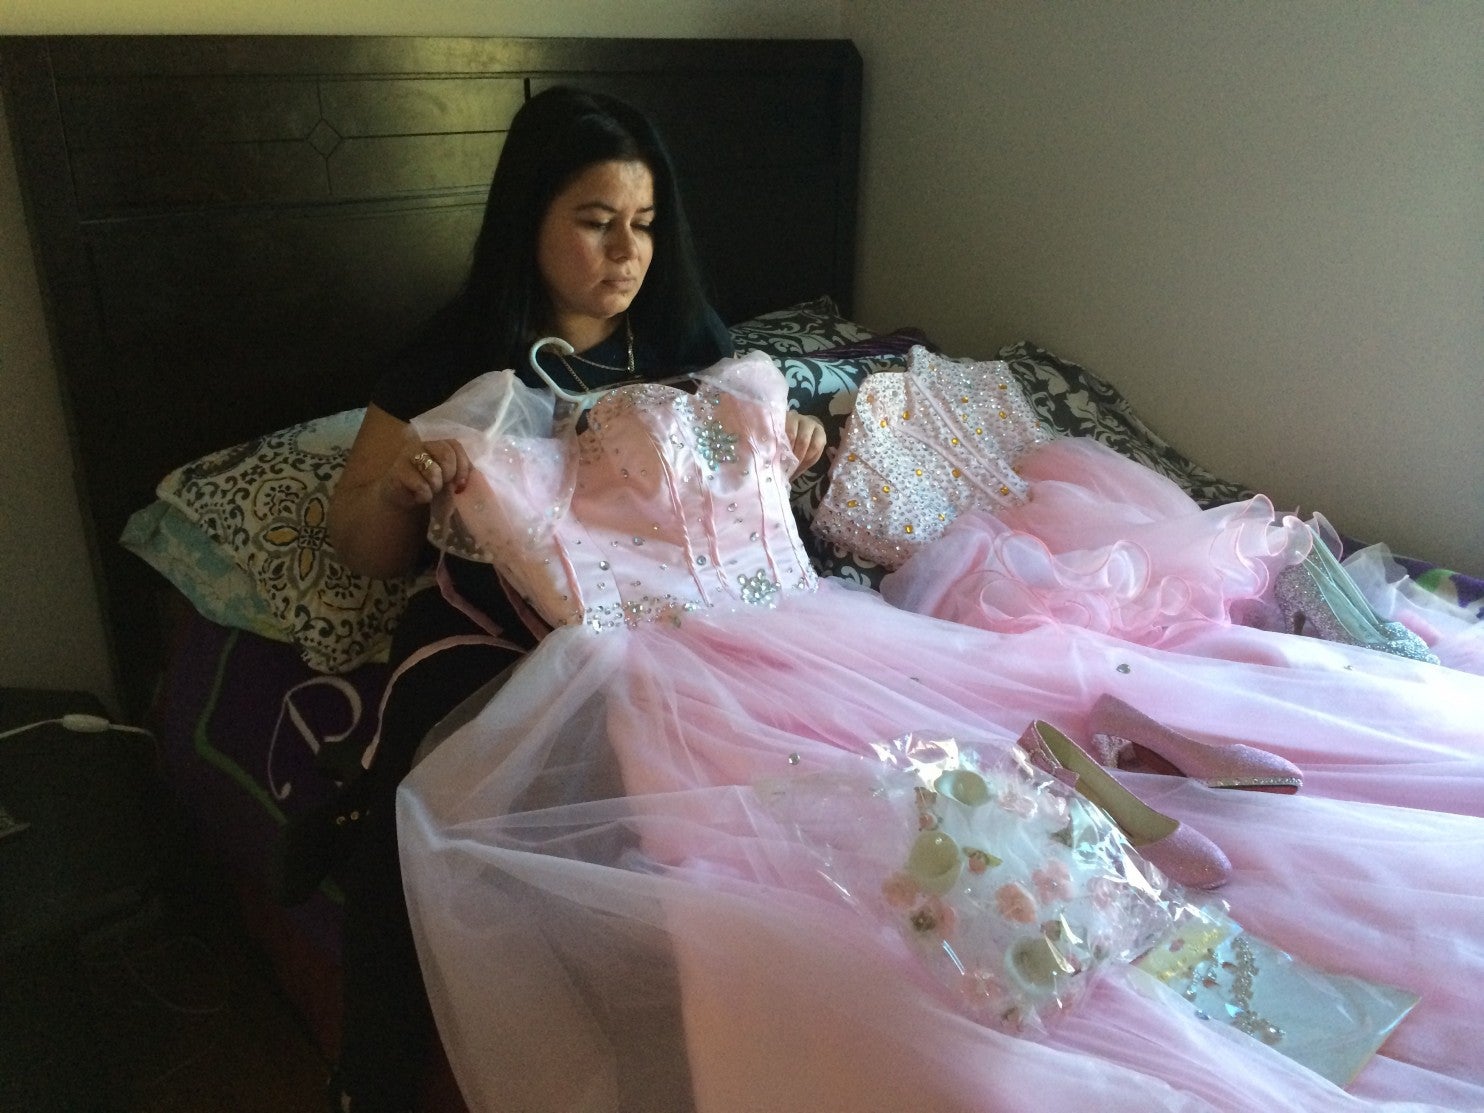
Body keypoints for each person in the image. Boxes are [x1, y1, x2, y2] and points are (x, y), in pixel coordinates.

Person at [310, 85, 827, 1113]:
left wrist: (791, 450)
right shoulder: (458, 354)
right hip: (499, 623)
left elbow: (727, 489)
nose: (625, 254)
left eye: (641, 225)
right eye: (595, 223)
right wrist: (401, 490)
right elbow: (357, 545)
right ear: (528, 220)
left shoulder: (686, 338)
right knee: (431, 787)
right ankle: (373, 1074)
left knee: (809, 747)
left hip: (685, 611)